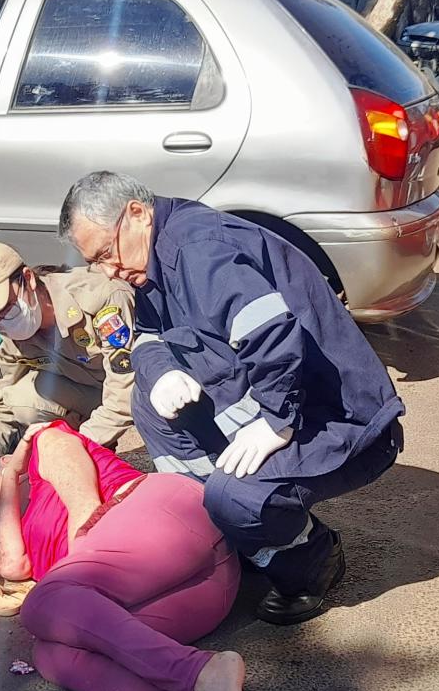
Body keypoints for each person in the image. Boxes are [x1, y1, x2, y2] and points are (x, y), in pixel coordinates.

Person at [59, 171, 406, 626]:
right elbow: (145, 336)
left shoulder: (199, 250)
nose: (107, 270)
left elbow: (273, 337)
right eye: (95, 262)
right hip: (280, 396)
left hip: (339, 417)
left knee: (235, 497)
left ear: (137, 214)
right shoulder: (155, 257)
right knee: (150, 399)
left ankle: (310, 558)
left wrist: (274, 420)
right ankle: (231, 533)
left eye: (106, 253)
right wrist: (162, 374)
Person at [0, 423, 263, 691]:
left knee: (41, 604)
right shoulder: (20, 527)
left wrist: (21, 470)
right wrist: (8, 483)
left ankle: (200, 672)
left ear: (6, 459)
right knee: (52, 655)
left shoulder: (42, 443)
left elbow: (82, 497)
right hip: (206, 592)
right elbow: (10, 565)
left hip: (164, 517)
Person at [0, 242, 136, 477]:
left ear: (28, 279)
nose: (0, 321)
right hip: (89, 392)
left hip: (141, 388)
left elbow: (125, 391)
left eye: (4, 307)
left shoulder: (100, 296)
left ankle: (92, 447)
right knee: (21, 399)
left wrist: (76, 445)